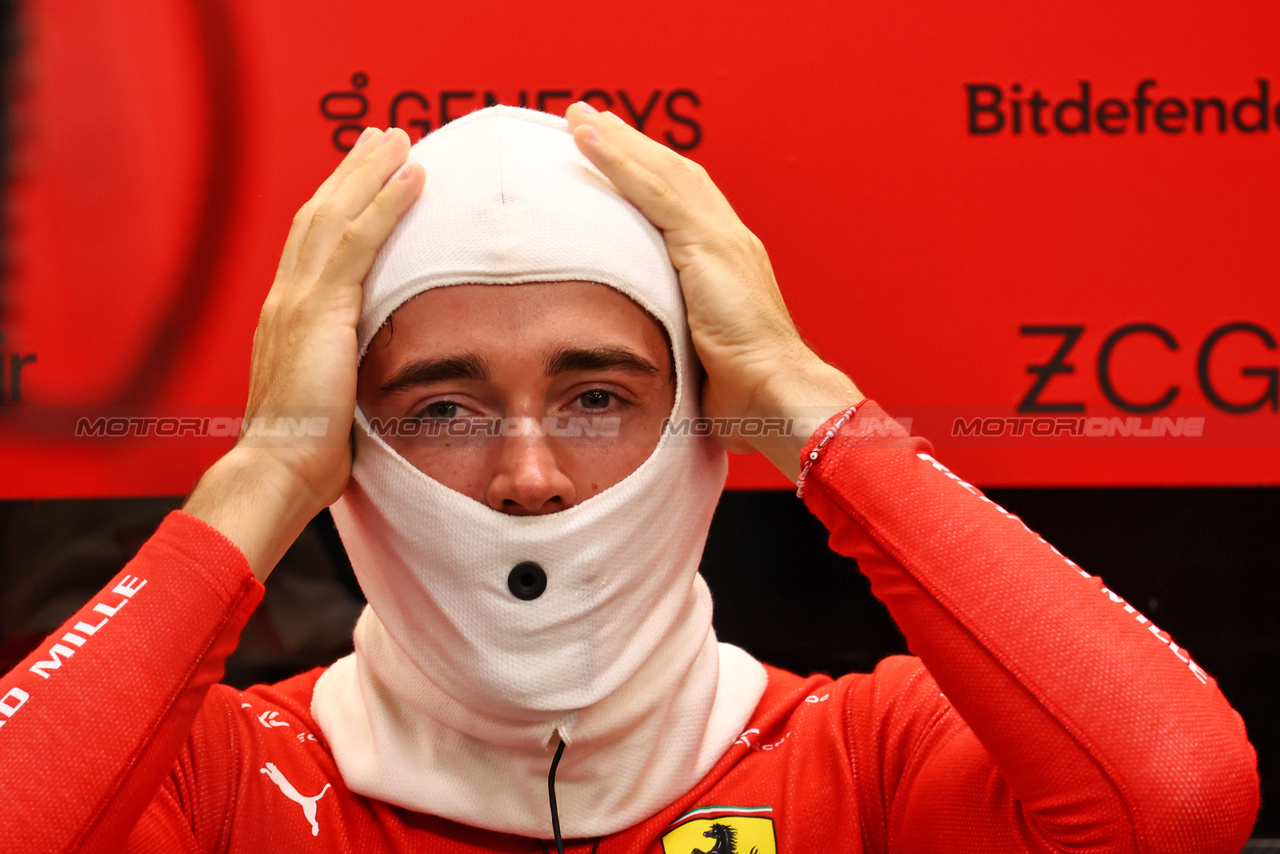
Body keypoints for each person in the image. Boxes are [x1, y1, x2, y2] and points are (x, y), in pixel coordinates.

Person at [0, 104, 1260, 852]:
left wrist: (803, 401)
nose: (531, 475)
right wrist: (265, 468)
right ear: (347, 440)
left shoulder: (864, 758)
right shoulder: (229, 779)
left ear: (708, 421)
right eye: (441, 407)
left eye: (598, 396)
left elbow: (1174, 794)